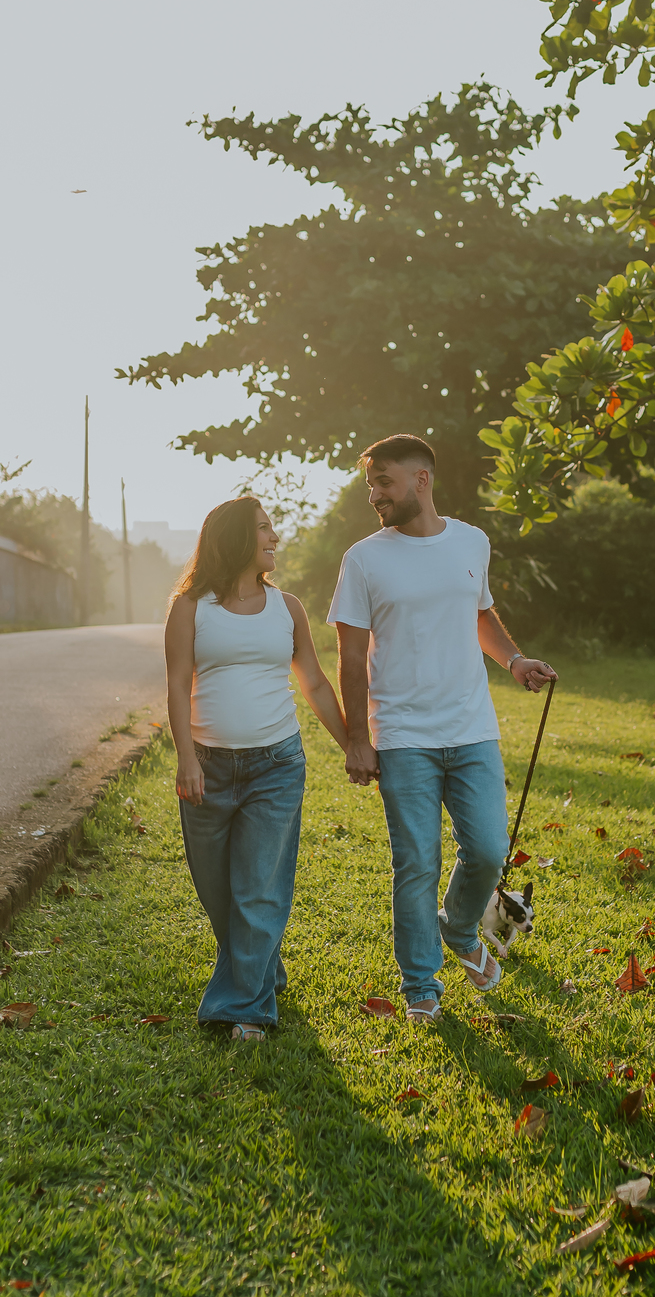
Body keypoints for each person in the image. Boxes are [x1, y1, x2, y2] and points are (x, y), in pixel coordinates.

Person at [328, 433, 556, 1025]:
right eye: (371, 483)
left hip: (472, 726)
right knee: (417, 864)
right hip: (403, 735)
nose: (374, 494)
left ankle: (458, 930)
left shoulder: (471, 542)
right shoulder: (364, 559)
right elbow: (351, 657)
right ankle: (420, 988)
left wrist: (514, 661)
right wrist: (358, 738)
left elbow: (477, 612)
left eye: (384, 482)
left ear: (421, 480)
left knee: (487, 849)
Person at [165, 495, 348, 1041]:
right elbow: (177, 684)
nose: (275, 538)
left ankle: (244, 1010)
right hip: (207, 768)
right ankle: (262, 966)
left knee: (259, 888)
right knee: (218, 890)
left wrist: (350, 743)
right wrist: (187, 758)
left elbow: (313, 680)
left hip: (276, 763)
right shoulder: (191, 607)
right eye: (266, 529)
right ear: (237, 539)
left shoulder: (287, 607)